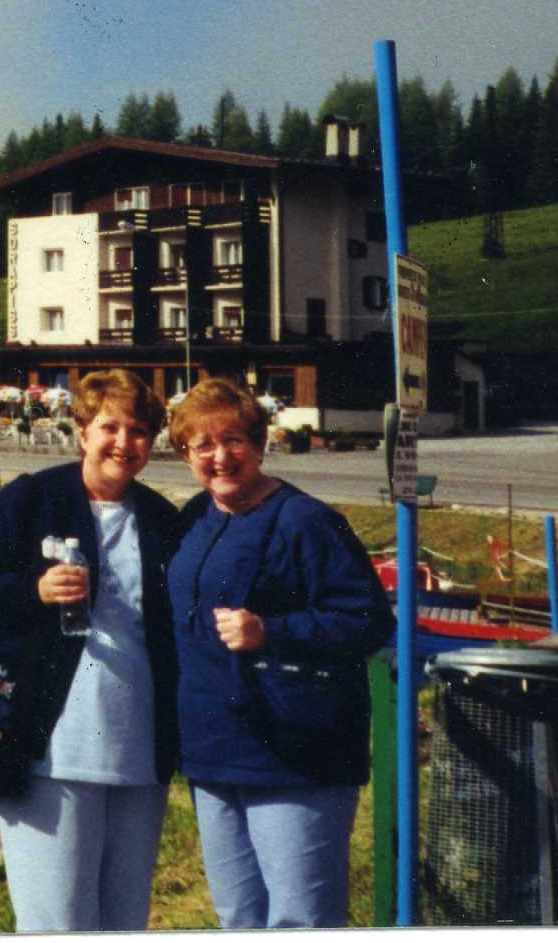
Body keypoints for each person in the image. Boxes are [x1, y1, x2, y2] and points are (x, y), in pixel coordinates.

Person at [0, 368, 184, 932]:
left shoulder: (161, 519)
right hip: (48, 746)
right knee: (56, 923)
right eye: (110, 426)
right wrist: (34, 589)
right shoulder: (32, 498)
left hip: (139, 748)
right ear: (82, 431)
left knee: (124, 920)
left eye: (138, 431)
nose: (123, 443)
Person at [166, 377, 393, 929]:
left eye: (235, 440)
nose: (221, 456)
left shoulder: (305, 521)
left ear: (260, 442)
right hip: (214, 753)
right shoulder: (194, 518)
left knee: (299, 921)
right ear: (185, 454)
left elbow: (367, 621)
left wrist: (271, 631)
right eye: (204, 445)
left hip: (296, 755)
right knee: (238, 918)